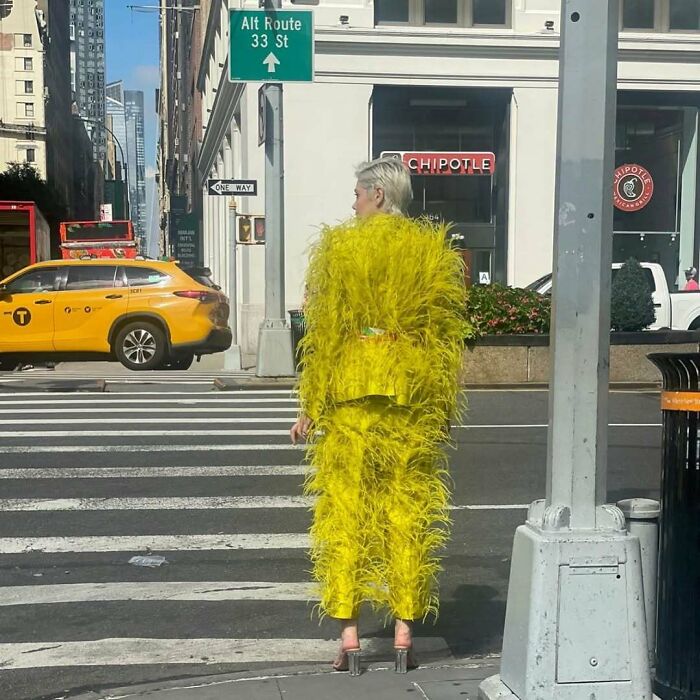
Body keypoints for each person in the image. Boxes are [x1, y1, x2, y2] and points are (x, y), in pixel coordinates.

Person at [290, 157, 469, 676]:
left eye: (358, 194)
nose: (353, 203)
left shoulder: (339, 248)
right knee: (406, 515)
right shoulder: (429, 250)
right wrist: (440, 408)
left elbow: (324, 335)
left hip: (350, 395)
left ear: (379, 196)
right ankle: (403, 638)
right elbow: (441, 339)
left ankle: (349, 641)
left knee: (345, 515)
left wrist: (311, 406)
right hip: (408, 395)